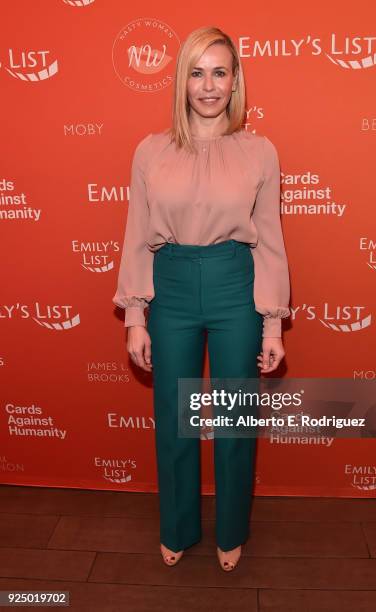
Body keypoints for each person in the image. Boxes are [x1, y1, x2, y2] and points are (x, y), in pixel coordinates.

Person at [112, 25, 291, 572]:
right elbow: (137, 230)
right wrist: (136, 317)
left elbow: (270, 239)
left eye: (219, 72)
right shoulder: (150, 150)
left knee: (236, 417)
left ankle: (231, 529)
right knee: (173, 416)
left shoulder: (259, 151)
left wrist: (272, 325)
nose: (208, 85)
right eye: (197, 72)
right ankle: (178, 526)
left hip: (236, 282)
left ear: (235, 81)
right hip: (170, 285)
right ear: (181, 81)